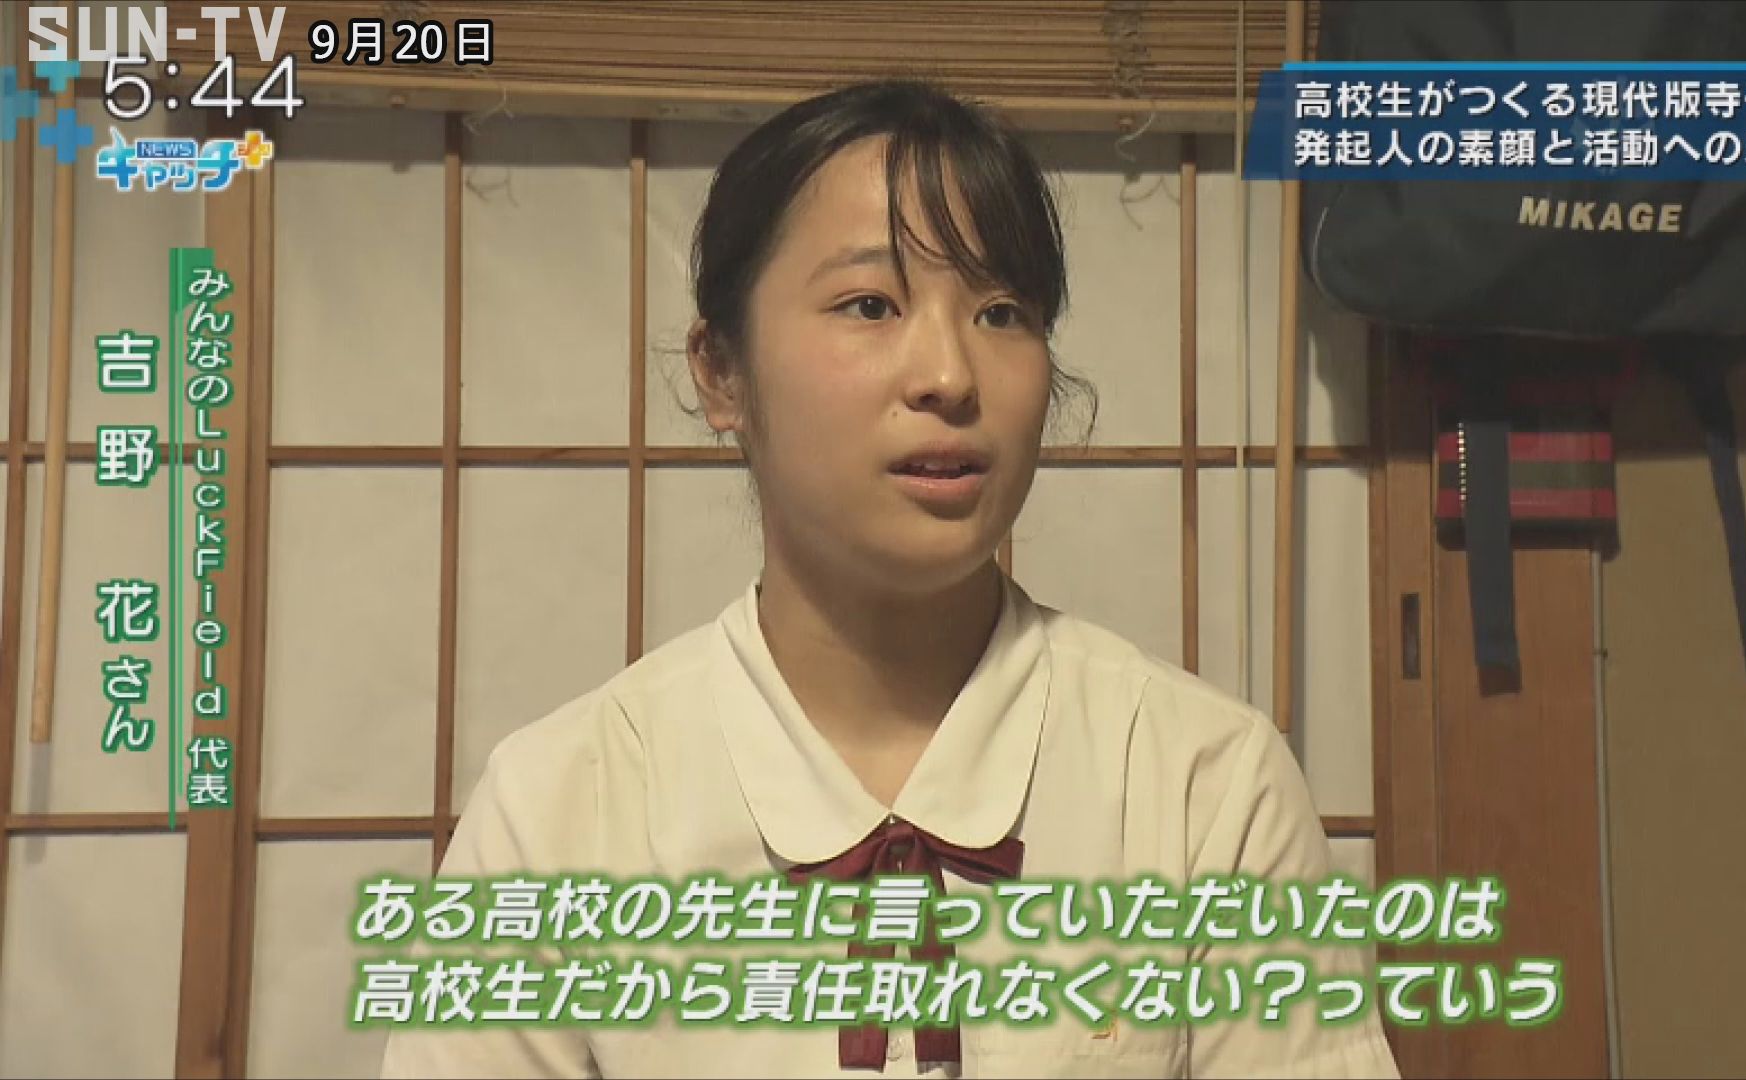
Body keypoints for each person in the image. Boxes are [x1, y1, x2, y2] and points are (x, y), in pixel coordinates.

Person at [380, 79, 1401, 1079]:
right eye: (870, 304)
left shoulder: (1201, 785)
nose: (949, 376)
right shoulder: (560, 810)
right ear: (721, 372)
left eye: (1001, 312)